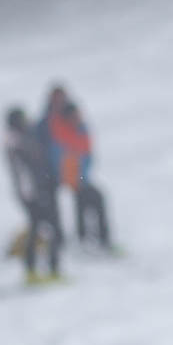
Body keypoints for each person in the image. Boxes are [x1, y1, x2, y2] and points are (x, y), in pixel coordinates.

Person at [38, 85, 113, 252]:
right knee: (84, 200)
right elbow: (56, 158)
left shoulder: (73, 127)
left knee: (86, 200)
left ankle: (89, 238)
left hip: (75, 177)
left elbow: (86, 156)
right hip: (61, 176)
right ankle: (84, 239)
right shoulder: (53, 127)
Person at [4, 106, 63, 284]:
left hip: (33, 191)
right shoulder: (17, 142)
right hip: (33, 192)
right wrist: (35, 192)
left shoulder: (19, 139)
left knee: (40, 228)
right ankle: (46, 269)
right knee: (48, 228)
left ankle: (37, 270)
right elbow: (25, 170)